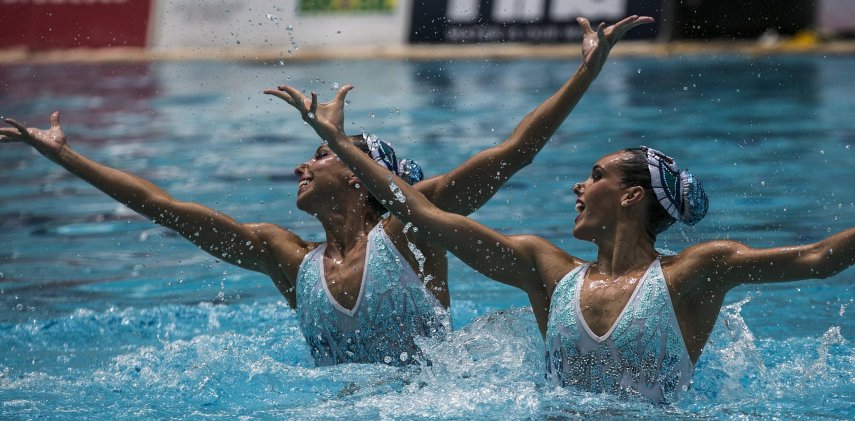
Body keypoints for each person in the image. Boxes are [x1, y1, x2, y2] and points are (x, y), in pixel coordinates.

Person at [0, 15, 654, 367]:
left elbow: (512, 156)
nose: (302, 168)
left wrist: (585, 72)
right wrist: (64, 156)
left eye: (320, 155)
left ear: (362, 177)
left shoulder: (413, 231)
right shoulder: (290, 260)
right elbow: (163, 210)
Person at [273, 82, 855, 402]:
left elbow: (814, 261)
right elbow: (427, 218)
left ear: (633, 195)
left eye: (594, 178)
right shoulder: (546, 271)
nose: (577, 189)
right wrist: (333, 140)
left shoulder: (694, 276)